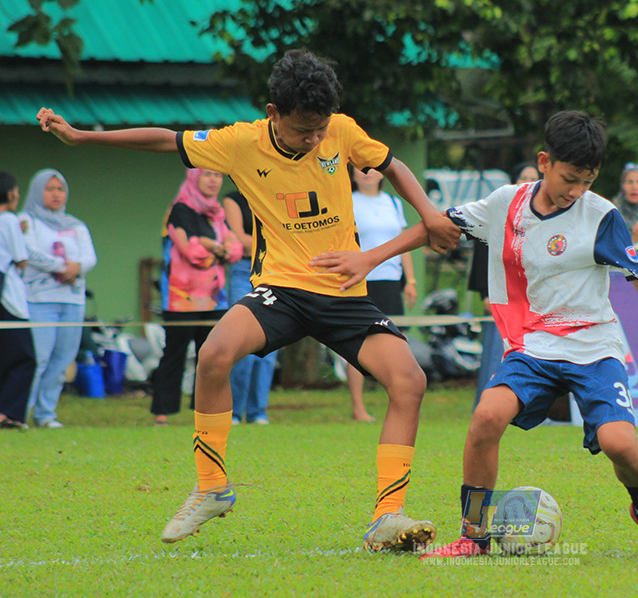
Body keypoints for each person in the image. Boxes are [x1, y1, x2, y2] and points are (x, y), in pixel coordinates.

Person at [36, 48, 461, 551]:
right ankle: (212, 486)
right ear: (273, 114)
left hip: (343, 290)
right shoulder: (239, 143)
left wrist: (429, 212)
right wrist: (83, 136)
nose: (315, 138)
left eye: (321, 128)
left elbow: (393, 165)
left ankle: (387, 517)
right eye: (304, 129)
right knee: (214, 354)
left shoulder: (340, 130)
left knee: (409, 381)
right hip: (280, 288)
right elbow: (163, 139)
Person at [314, 110, 638, 560]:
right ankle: (473, 536)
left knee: (619, 443)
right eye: (569, 178)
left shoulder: (601, 216)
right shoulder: (506, 204)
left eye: (587, 181)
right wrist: (372, 258)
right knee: (485, 418)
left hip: (594, 347)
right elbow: (438, 225)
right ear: (544, 162)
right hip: (531, 346)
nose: (576, 190)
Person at [151, 169, 243, 426]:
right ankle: (162, 412)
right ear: (194, 178)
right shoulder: (179, 210)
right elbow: (192, 251)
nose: (214, 180)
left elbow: (235, 250)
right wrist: (217, 247)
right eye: (207, 175)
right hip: (181, 298)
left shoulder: (218, 213)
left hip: (215, 297)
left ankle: (204, 411)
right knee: (174, 354)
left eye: (218, 175)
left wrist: (211, 244)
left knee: (212, 355)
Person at [19, 169, 97, 429]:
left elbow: (89, 257)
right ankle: (19, 412)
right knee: (38, 358)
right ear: (37, 190)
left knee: (63, 358)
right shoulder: (26, 220)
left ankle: (46, 414)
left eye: (60, 189)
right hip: (39, 300)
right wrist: (62, 267)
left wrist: (77, 267)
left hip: (72, 301)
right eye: (50, 188)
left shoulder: (76, 225)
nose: (56, 194)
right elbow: (28, 251)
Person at [343, 163, 418, 423]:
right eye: (361, 169)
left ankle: (399, 402)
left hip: (390, 280)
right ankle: (358, 408)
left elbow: (403, 242)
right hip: (361, 279)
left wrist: (410, 280)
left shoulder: (393, 203)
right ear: (352, 174)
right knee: (358, 341)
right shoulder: (347, 201)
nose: (367, 173)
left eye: (372, 168)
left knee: (398, 341)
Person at [467, 161, 539, 409]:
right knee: (496, 354)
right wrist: (485, 293)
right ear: (514, 181)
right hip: (500, 300)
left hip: (533, 303)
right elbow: (481, 252)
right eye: (524, 176)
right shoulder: (498, 210)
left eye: (534, 177)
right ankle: (488, 405)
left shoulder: (545, 219)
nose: (528, 181)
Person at [222, 189, 277, 426]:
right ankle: (234, 412)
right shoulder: (233, 199)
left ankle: (258, 412)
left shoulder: (275, 192)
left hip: (275, 272)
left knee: (271, 344)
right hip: (244, 271)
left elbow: (248, 241)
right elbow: (238, 239)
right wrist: (274, 242)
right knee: (240, 340)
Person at [0, 172, 35, 430]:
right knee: (25, 357)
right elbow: (21, 259)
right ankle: (9, 413)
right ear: (11, 193)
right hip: (8, 297)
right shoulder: (9, 219)